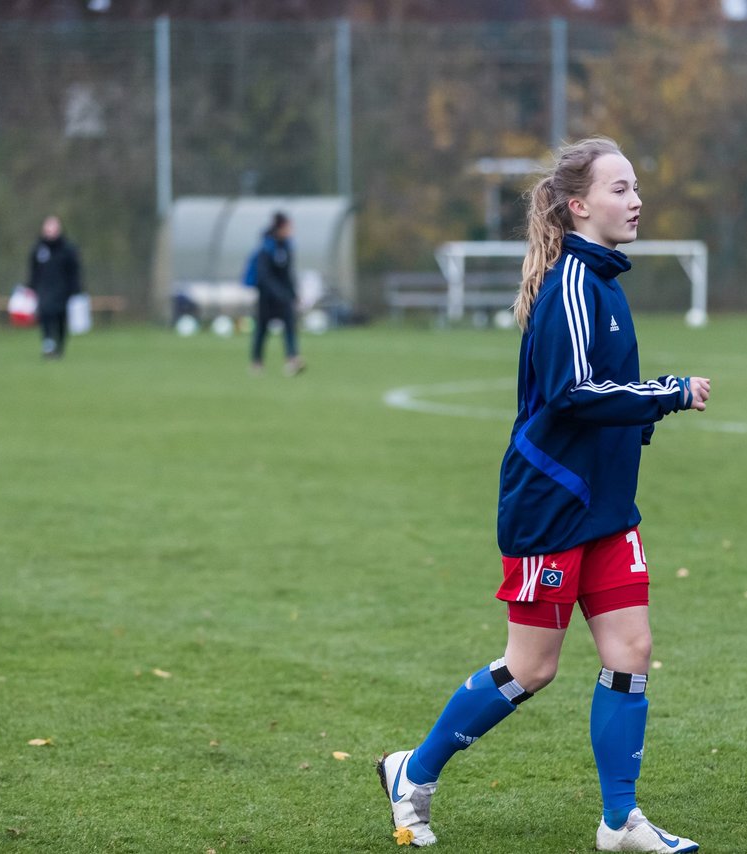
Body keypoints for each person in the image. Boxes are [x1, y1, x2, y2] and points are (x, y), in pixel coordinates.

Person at [376, 137, 709, 852]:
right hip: (552, 504)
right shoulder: (574, 284)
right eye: (620, 188)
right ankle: (414, 771)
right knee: (533, 667)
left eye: (636, 185)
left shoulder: (605, 282)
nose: (637, 199)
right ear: (580, 205)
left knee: (632, 650)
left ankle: (620, 820)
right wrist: (667, 394)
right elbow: (573, 393)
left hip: (608, 507)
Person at [250, 212, 305, 376]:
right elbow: (264, 276)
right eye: (288, 226)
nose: (291, 230)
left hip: (284, 296)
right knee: (262, 329)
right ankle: (256, 362)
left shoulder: (287, 247)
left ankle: (292, 360)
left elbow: (288, 273)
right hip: (267, 297)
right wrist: (277, 292)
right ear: (280, 228)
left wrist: (293, 293)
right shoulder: (266, 248)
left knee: (289, 326)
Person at [27, 215, 82, 359]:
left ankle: (60, 346)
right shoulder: (39, 249)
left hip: (62, 290)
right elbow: (33, 270)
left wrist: (75, 289)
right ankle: (48, 343)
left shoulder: (67, 249)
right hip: (44, 289)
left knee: (60, 319)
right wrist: (31, 287)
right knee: (45, 315)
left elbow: (74, 271)